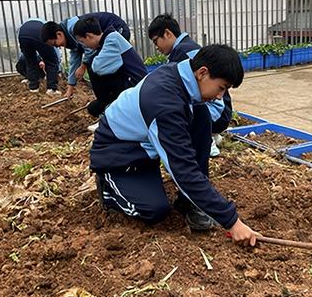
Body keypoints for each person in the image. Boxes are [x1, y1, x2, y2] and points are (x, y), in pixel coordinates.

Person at [90, 44, 258, 246]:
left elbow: (203, 131)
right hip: (119, 154)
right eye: (221, 88)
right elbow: (183, 169)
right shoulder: (164, 102)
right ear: (202, 73)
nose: (220, 96)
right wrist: (232, 221)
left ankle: (189, 201)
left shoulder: (183, 76)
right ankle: (109, 188)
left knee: (201, 114)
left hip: (144, 149)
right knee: (154, 210)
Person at [148, 13, 233, 156]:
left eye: (156, 41)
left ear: (167, 33)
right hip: (218, 110)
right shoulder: (185, 48)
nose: (157, 47)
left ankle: (207, 139)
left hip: (216, 113)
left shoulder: (184, 53)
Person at [72, 16, 146, 122]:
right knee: (93, 108)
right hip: (129, 83)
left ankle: (108, 108)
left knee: (92, 68)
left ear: (88, 36)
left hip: (136, 87)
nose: (85, 46)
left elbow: (98, 67)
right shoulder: (107, 39)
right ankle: (107, 105)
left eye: (83, 42)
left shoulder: (112, 39)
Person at [40, 12, 130, 98]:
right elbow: (74, 61)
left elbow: (89, 49)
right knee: (95, 66)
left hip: (116, 28)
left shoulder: (73, 27)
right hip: (104, 40)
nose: (58, 46)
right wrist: (70, 88)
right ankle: (108, 97)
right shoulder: (69, 38)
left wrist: (83, 66)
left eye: (55, 43)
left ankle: (115, 96)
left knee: (100, 66)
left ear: (59, 34)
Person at [17, 18, 61, 95]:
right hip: (38, 35)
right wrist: (58, 70)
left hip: (22, 35)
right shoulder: (47, 30)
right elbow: (55, 57)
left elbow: (24, 53)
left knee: (30, 61)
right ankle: (51, 89)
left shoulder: (28, 23)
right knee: (51, 61)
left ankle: (33, 88)